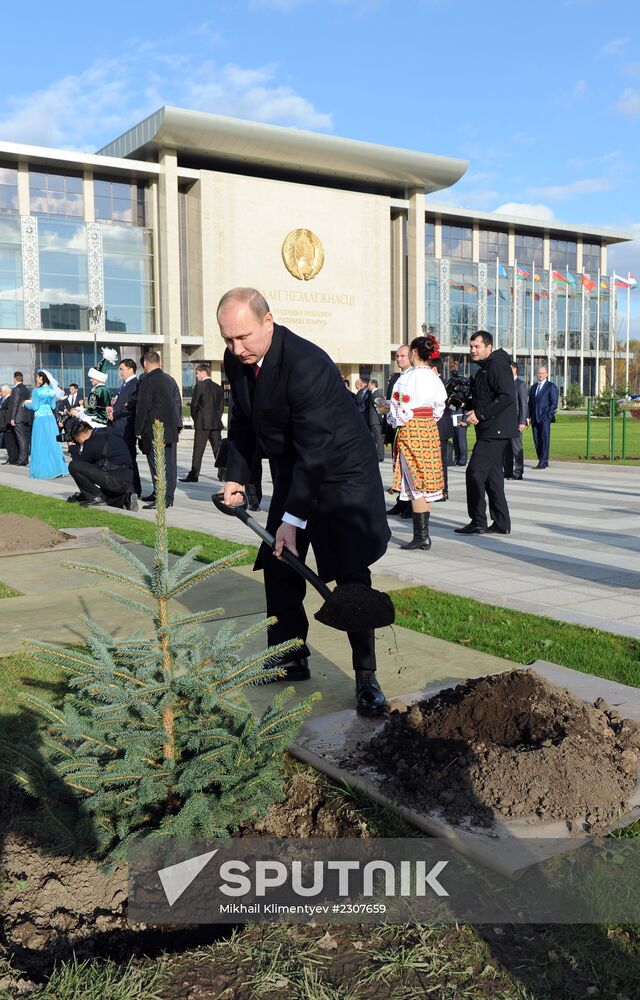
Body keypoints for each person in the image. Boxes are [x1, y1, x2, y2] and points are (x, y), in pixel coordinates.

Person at [218, 287, 390, 717]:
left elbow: (316, 450)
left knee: (348, 575)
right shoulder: (236, 362)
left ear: (268, 321)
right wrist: (237, 477)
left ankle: (367, 677)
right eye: (228, 339)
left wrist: (293, 519)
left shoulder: (307, 363)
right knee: (279, 564)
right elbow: (242, 420)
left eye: (244, 337)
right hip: (297, 471)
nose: (236, 349)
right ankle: (289, 655)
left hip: (341, 475)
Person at [454, 331, 517, 536]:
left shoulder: (497, 365)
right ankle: (501, 522)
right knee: (492, 477)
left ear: (488, 348)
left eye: (477, 346)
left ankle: (478, 520)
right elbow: (485, 397)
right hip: (489, 429)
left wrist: (479, 414)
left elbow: (506, 396)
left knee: (474, 472)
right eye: (471, 346)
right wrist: (469, 410)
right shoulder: (484, 368)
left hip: (495, 430)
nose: (473, 350)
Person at [387, 335, 446, 550]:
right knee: (427, 479)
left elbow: (398, 410)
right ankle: (423, 534)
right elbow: (440, 405)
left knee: (415, 482)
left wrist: (391, 415)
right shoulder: (434, 378)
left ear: (413, 353)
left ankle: (421, 536)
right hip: (429, 427)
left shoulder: (406, 378)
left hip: (411, 429)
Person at [135, 350, 182, 509]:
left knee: (157, 464)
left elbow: (143, 408)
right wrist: (178, 425)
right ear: (159, 362)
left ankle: (162, 498)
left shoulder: (147, 381)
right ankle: (166, 496)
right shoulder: (170, 380)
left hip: (153, 430)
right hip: (169, 429)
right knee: (169, 464)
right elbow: (177, 403)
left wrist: (138, 429)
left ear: (145, 364)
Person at [68, 422, 136, 509]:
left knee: (73, 466)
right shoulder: (111, 431)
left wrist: (72, 448)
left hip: (114, 480)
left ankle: (95, 497)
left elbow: (79, 464)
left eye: (78, 441)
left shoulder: (92, 441)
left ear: (83, 436)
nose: (80, 443)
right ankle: (126, 499)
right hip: (127, 480)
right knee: (107, 496)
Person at [180, 364, 224, 483]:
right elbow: (220, 407)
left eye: (197, 373)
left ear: (203, 372)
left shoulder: (200, 386)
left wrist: (196, 418)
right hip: (215, 423)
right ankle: (223, 473)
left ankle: (194, 475)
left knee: (198, 450)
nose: (196, 376)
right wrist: (216, 418)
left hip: (202, 423)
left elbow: (194, 404)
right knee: (218, 449)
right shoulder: (218, 387)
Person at [23, 371, 68, 479]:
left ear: (42, 378)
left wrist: (25, 404)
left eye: (37, 378)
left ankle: (44, 470)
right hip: (50, 419)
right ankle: (58, 468)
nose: (36, 379)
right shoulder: (52, 391)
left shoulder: (37, 391)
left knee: (40, 443)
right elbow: (53, 406)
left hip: (40, 419)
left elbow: (35, 407)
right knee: (53, 443)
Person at [108, 358, 141, 496]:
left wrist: (115, 414)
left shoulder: (134, 384)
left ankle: (133, 488)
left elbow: (132, 408)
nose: (120, 372)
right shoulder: (125, 384)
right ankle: (128, 487)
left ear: (130, 369)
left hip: (126, 426)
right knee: (124, 457)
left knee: (129, 458)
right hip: (118, 425)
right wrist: (113, 408)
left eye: (122, 369)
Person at [385, 345, 412, 516]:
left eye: (402, 356)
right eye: (397, 356)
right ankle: (401, 502)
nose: (399, 359)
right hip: (397, 427)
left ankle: (410, 505)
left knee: (409, 469)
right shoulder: (396, 378)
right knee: (398, 467)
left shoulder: (414, 377)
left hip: (410, 427)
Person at [528, 365, 558, 469]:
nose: (540, 375)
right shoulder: (533, 387)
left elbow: (554, 403)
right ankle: (542, 460)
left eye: (542, 373)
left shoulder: (551, 386)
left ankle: (543, 461)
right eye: (539, 373)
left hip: (545, 418)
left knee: (545, 440)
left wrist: (548, 416)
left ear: (547, 374)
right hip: (534, 418)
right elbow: (530, 404)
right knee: (537, 441)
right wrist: (528, 417)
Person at [503, 363, 529, 480]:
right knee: (506, 448)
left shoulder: (520, 384)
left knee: (516, 447)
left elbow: (523, 404)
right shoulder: (504, 383)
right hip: (505, 422)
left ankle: (518, 472)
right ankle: (507, 471)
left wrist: (522, 421)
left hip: (516, 421)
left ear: (515, 370)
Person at [6, 371, 32, 466]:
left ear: (14, 379)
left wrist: (12, 418)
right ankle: (24, 459)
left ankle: (22, 460)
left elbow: (15, 404)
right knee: (25, 439)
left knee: (21, 439)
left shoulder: (16, 389)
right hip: (26, 417)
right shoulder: (26, 389)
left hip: (18, 418)